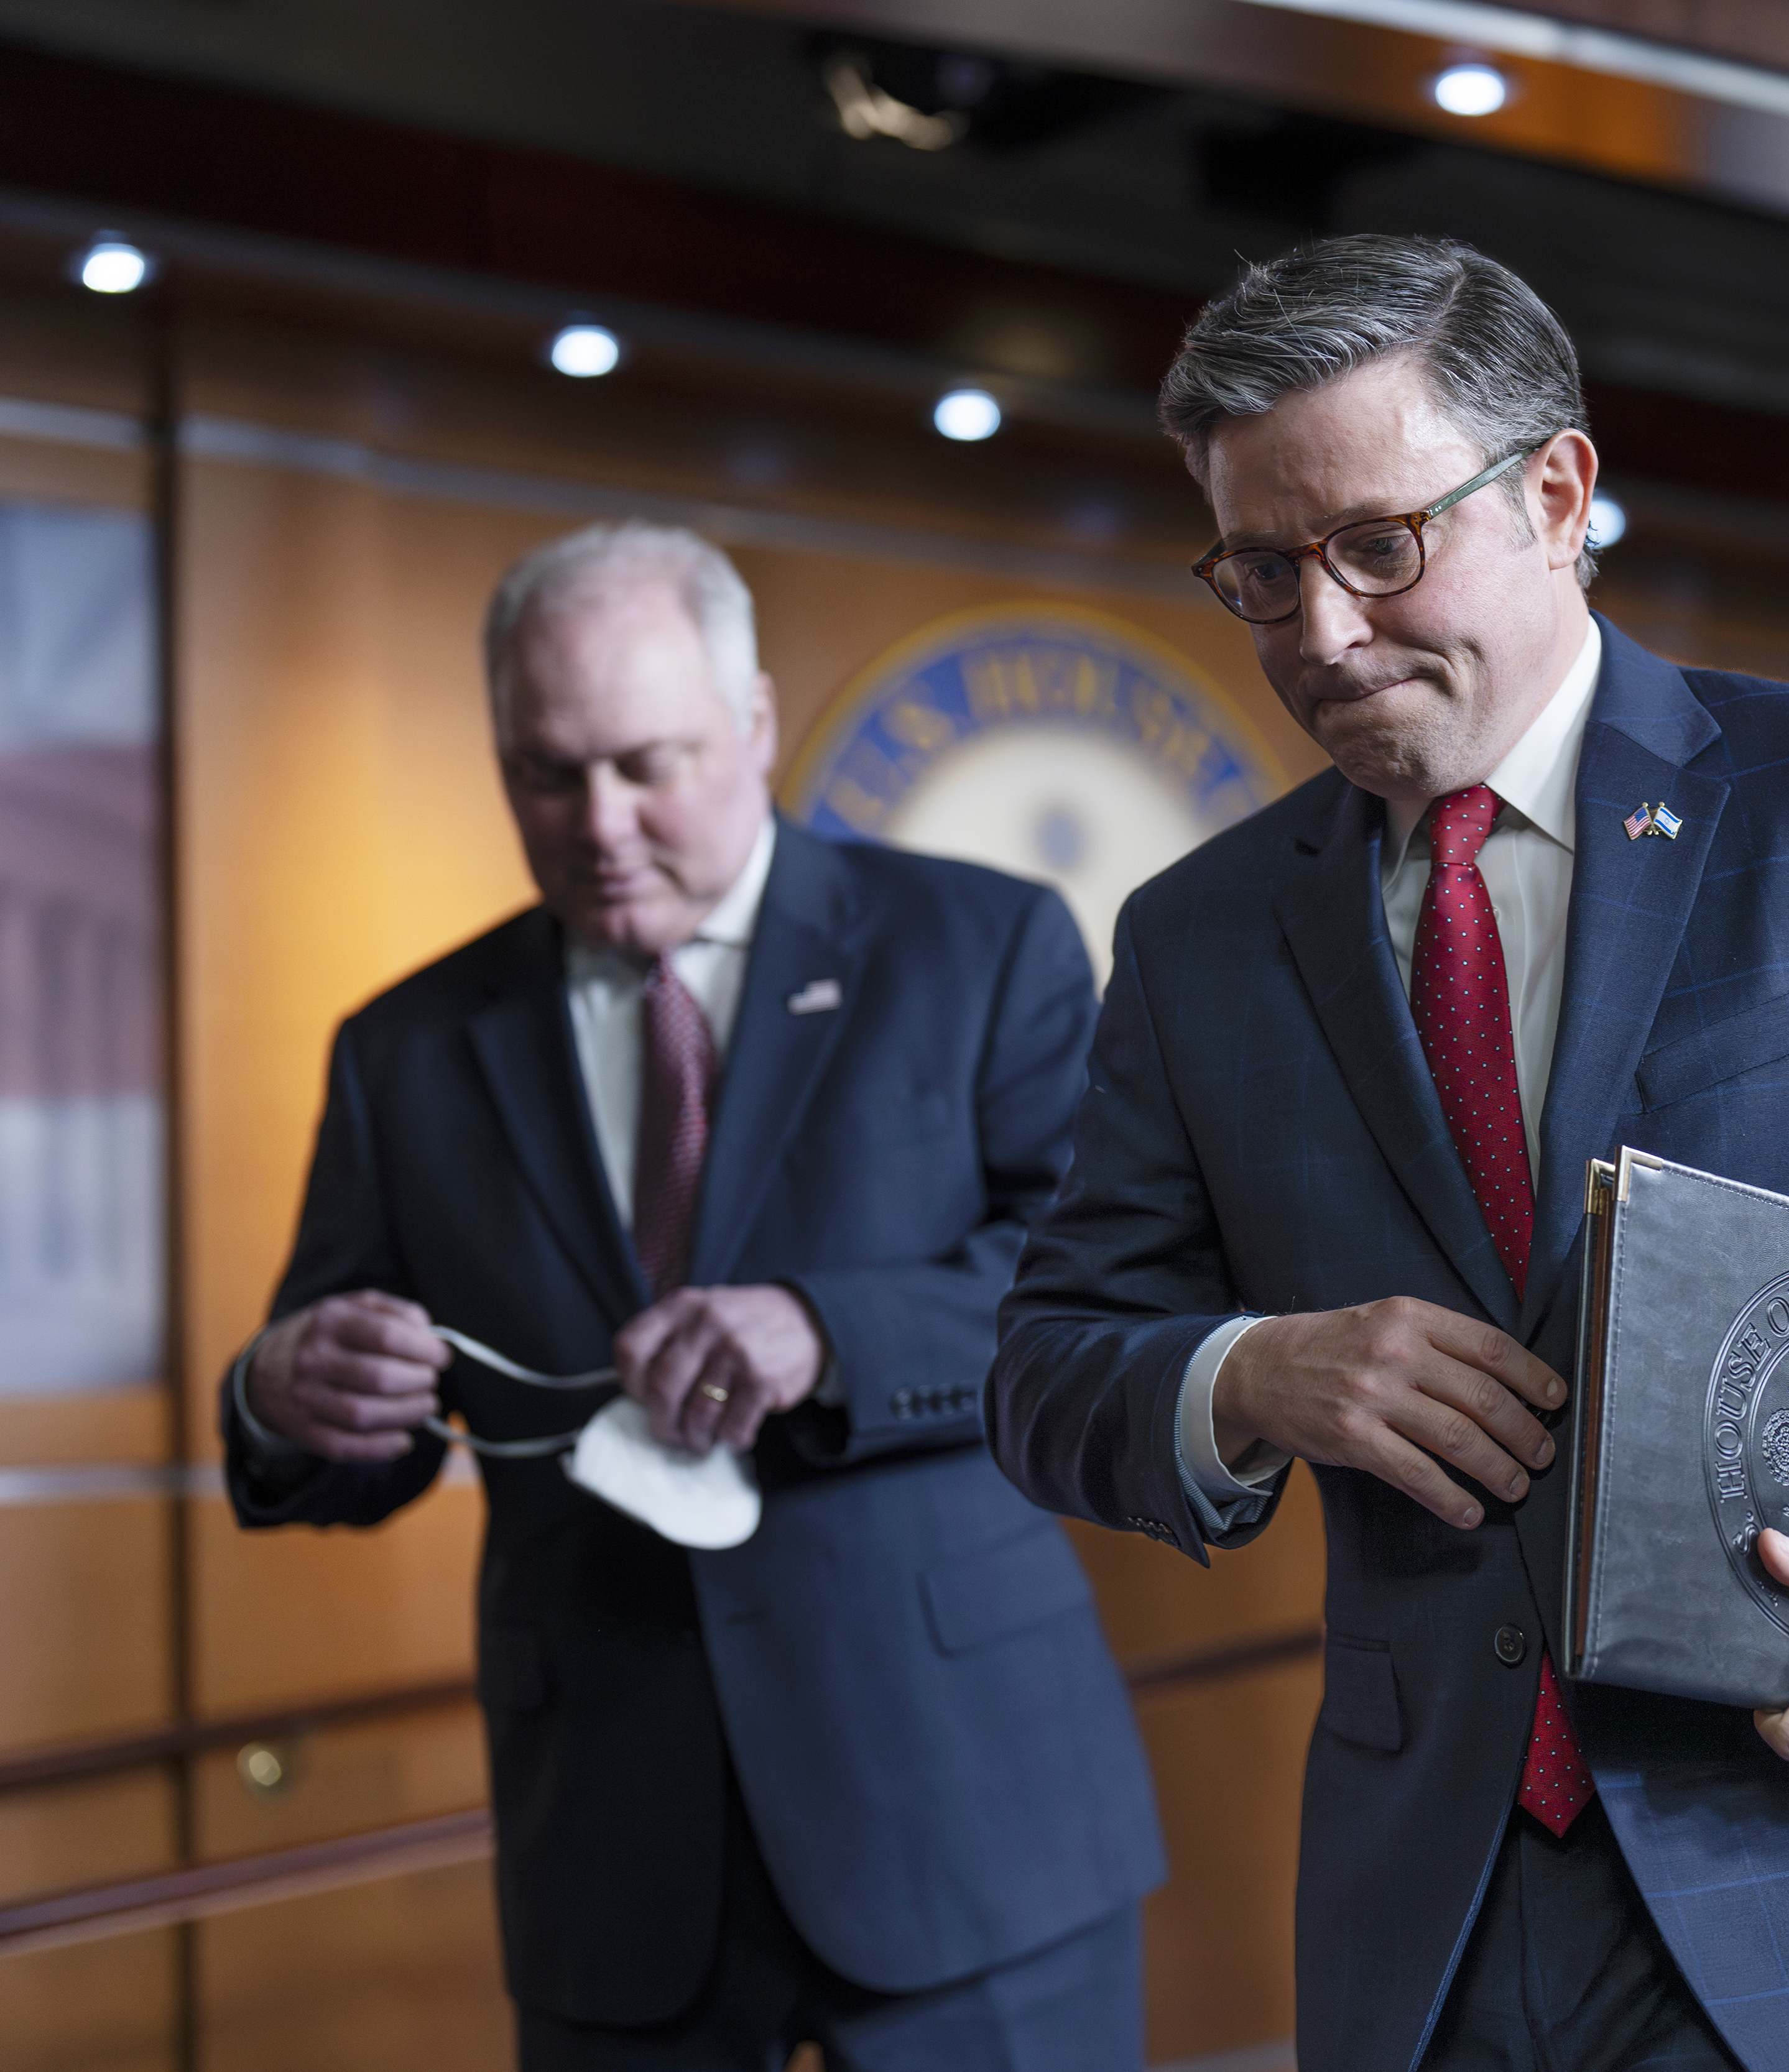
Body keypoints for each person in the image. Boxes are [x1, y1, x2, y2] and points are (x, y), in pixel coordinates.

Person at [987, 234, 1789, 2072]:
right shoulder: (1199, 938)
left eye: (1375, 545)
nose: (1321, 635)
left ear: (1560, 492)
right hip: (1435, 1919)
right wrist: (1251, 1372)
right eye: (1261, 573)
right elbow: (1048, 1365)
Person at [221, 522, 1163, 2070]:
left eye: (647, 763)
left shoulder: (979, 945)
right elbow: (344, 1424)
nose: (597, 821)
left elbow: (1101, 1289)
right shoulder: (401, 1048)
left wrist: (829, 1327)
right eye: (545, 772)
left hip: (966, 1816)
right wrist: (280, 1392)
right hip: (612, 1849)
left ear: (754, 724)